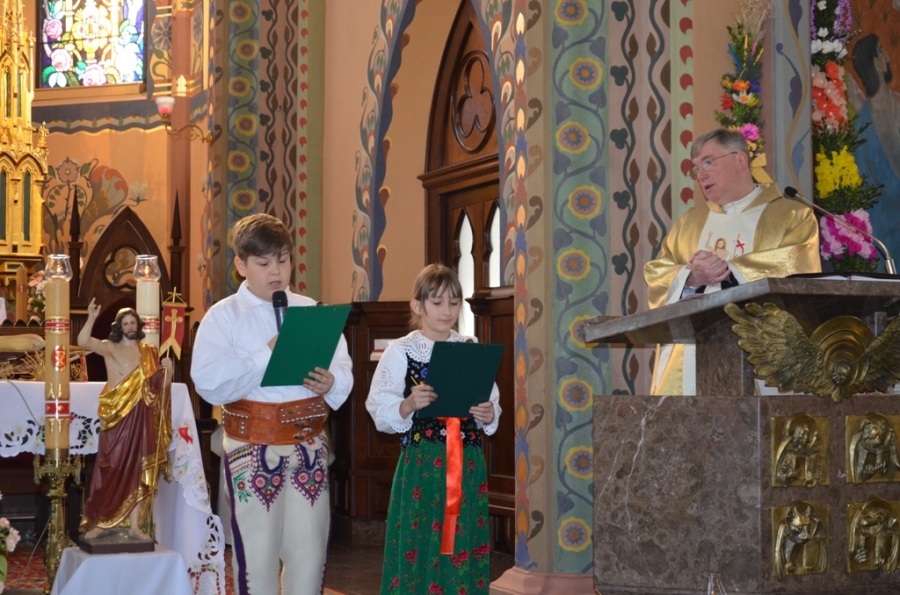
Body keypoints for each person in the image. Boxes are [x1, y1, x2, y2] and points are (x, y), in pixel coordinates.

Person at [191, 213, 353, 595]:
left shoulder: (310, 310)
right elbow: (210, 383)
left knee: (309, 555)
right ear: (240, 265)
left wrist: (332, 381)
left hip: (308, 445)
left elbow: (342, 368)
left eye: (282, 260)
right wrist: (267, 353)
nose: (276, 272)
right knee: (257, 557)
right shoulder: (223, 317)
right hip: (252, 445)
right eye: (263, 263)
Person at [644, 128, 821, 395]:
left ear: (739, 160)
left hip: (764, 357)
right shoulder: (689, 223)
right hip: (689, 360)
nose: (701, 176)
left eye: (708, 162)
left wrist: (728, 271)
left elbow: (797, 270)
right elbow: (657, 273)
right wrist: (690, 277)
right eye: (696, 169)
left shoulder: (792, 215)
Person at [366, 264, 500, 595]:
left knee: (463, 539)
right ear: (417, 305)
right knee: (421, 538)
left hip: (467, 461)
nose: (447, 311)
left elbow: (491, 400)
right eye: (437, 302)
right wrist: (408, 404)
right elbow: (378, 407)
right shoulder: (401, 351)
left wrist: (488, 413)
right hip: (423, 462)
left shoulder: (470, 346)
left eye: (454, 303)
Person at [78, 302, 173, 540]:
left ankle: (134, 526)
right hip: (116, 417)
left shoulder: (148, 351)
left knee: (137, 468)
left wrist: (169, 371)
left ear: (138, 326)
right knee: (110, 467)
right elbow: (83, 341)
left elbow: (159, 387)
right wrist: (91, 317)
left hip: (141, 417)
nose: (130, 326)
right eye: (125, 323)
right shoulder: (110, 347)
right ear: (119, 327)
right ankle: (102, 522)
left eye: (133, 323)